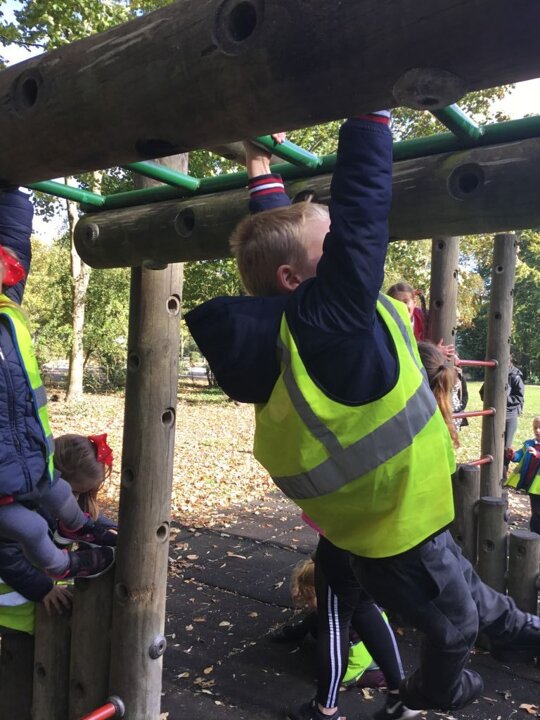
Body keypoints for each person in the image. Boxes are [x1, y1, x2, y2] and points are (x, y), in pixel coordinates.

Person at [186, 112, 540, 718]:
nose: (345, 248)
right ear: (298, 280)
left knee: (482, 604)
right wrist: (370, 109)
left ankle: (524, 633)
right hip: (397, 534)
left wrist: (260, 168)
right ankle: (433, 691)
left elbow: (283, 243)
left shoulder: (296, 336)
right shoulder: (330, 324)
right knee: (456, 624)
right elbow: (362, 216)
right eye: (331, 244)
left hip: (388, 521)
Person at [0, 187, 115, 583]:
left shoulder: (6, 302)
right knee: (31, 528)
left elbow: (13, 238)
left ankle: (79, 525)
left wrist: (9, 191)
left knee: (60, 495)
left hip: (29, 459)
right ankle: (63, 566)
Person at [273, 543, 420, 720]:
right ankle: (399, 694)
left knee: (334, 620)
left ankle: (324, 711)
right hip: (376, 544)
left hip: (344, 541)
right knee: (364, 606)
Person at [0, 432, 118, 634]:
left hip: (33, 602)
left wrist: (111, 530)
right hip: (14, 605)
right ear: (55, 483)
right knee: (20, 649)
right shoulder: (24, 512)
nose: (77, 499)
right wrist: (42, 589)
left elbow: (87, 516)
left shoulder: (64, 502)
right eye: (74, 493)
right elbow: (7, 557)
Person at [505, 416, 540, 535]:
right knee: (536, 511)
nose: (537, 430)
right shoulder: (529, 444)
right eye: (535, 427)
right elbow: (520, 456)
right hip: (533, 487)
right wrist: (512, 455)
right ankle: (534, 535)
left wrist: (538, 454)